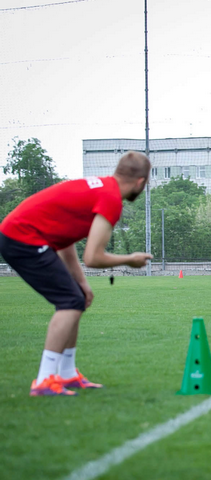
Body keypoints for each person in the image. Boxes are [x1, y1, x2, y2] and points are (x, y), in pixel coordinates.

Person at [0, 152, 153, 396]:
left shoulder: (101, 187)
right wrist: (130, 260)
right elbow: (93, 257)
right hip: (23, 238)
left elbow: (64, 240)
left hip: (22, 235)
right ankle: (44, 382)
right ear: (141, 182)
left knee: (75, 298)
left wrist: (81, 282)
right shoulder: (111, 199)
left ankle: (67, 375)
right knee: (69, 302)